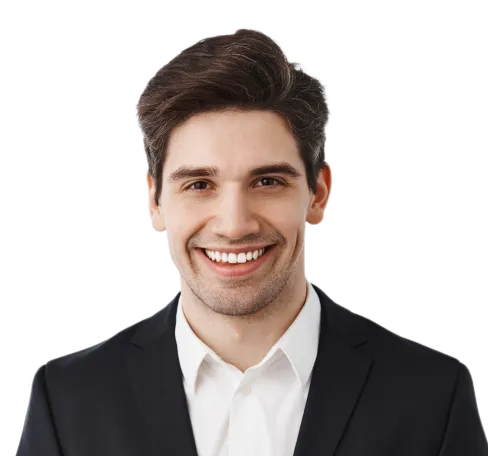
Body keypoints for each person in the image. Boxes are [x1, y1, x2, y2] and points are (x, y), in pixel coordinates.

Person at [16, 27, 487, 456]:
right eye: (199, 184)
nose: (234, 224)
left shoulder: (433, 397)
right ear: (154, 201)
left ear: (318, 193)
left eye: (267, 181)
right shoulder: (68, 400)